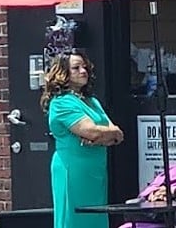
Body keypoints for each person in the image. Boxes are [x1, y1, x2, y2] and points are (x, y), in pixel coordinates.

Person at [44, 50, 125, 228]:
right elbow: (91, 131)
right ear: (62, 73)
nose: (83, 71)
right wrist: (104, 135)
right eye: (76, 68)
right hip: (72, 169)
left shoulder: (92, 102)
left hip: (95, 170)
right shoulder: (61, 102)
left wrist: (105, 135)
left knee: (96, 218)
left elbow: (118, 134)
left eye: (85, 67)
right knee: (74, 219)